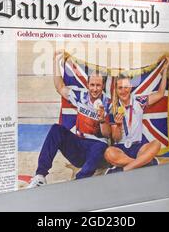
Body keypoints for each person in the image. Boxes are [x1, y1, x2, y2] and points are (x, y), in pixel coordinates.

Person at [27, 50, 111, 188]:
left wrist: (102, 119)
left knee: (101, 146)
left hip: (96, 150)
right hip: (78, 147)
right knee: (56, 129)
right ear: (88, 85)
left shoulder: (109, 103)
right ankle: (40, 175)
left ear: (103, 86)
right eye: (92, 85)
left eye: (98, 85)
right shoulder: (80, 96)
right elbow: (60, 87)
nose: (95, 89)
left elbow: (109, 134)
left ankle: (77, 183)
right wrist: (55, 63)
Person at [104, 59, 169, 173]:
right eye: (120, 88)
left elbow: (160, 94)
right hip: (121, 149)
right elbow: (116, 138)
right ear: (116, 89)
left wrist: (164, 72)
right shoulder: (112, 109)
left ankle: (125, 169)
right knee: (108, 153)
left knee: (156, 144)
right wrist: (119, 126)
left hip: (139, 145)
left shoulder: (139, 101)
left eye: (126, 87)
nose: (123, 91)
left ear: (130, 87)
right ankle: (144, 163)